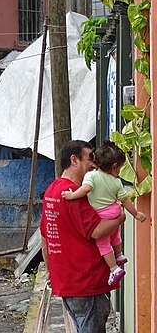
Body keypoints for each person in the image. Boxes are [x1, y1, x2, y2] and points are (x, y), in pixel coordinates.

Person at [40, 140, 127, 333]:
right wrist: (120, 217)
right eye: (90, 158)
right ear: (74, 160)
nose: (94, 164)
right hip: (87, 282)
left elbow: (45, 237)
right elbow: (97, 231)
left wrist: (50, 271)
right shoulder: (75, 195)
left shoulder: (51, 191)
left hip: (67, 281)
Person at [61, 141, 147, 286]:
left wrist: (72, 195)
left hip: (102, 215)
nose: (119, 171)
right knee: (114, 233)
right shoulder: (116, 182)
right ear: (114, 167)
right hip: (115, 210)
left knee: (103, 242)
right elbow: (125, 201)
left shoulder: (92, 176)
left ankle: (114, 268)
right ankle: (119, 254)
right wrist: (136, 214)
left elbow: (86, 189)